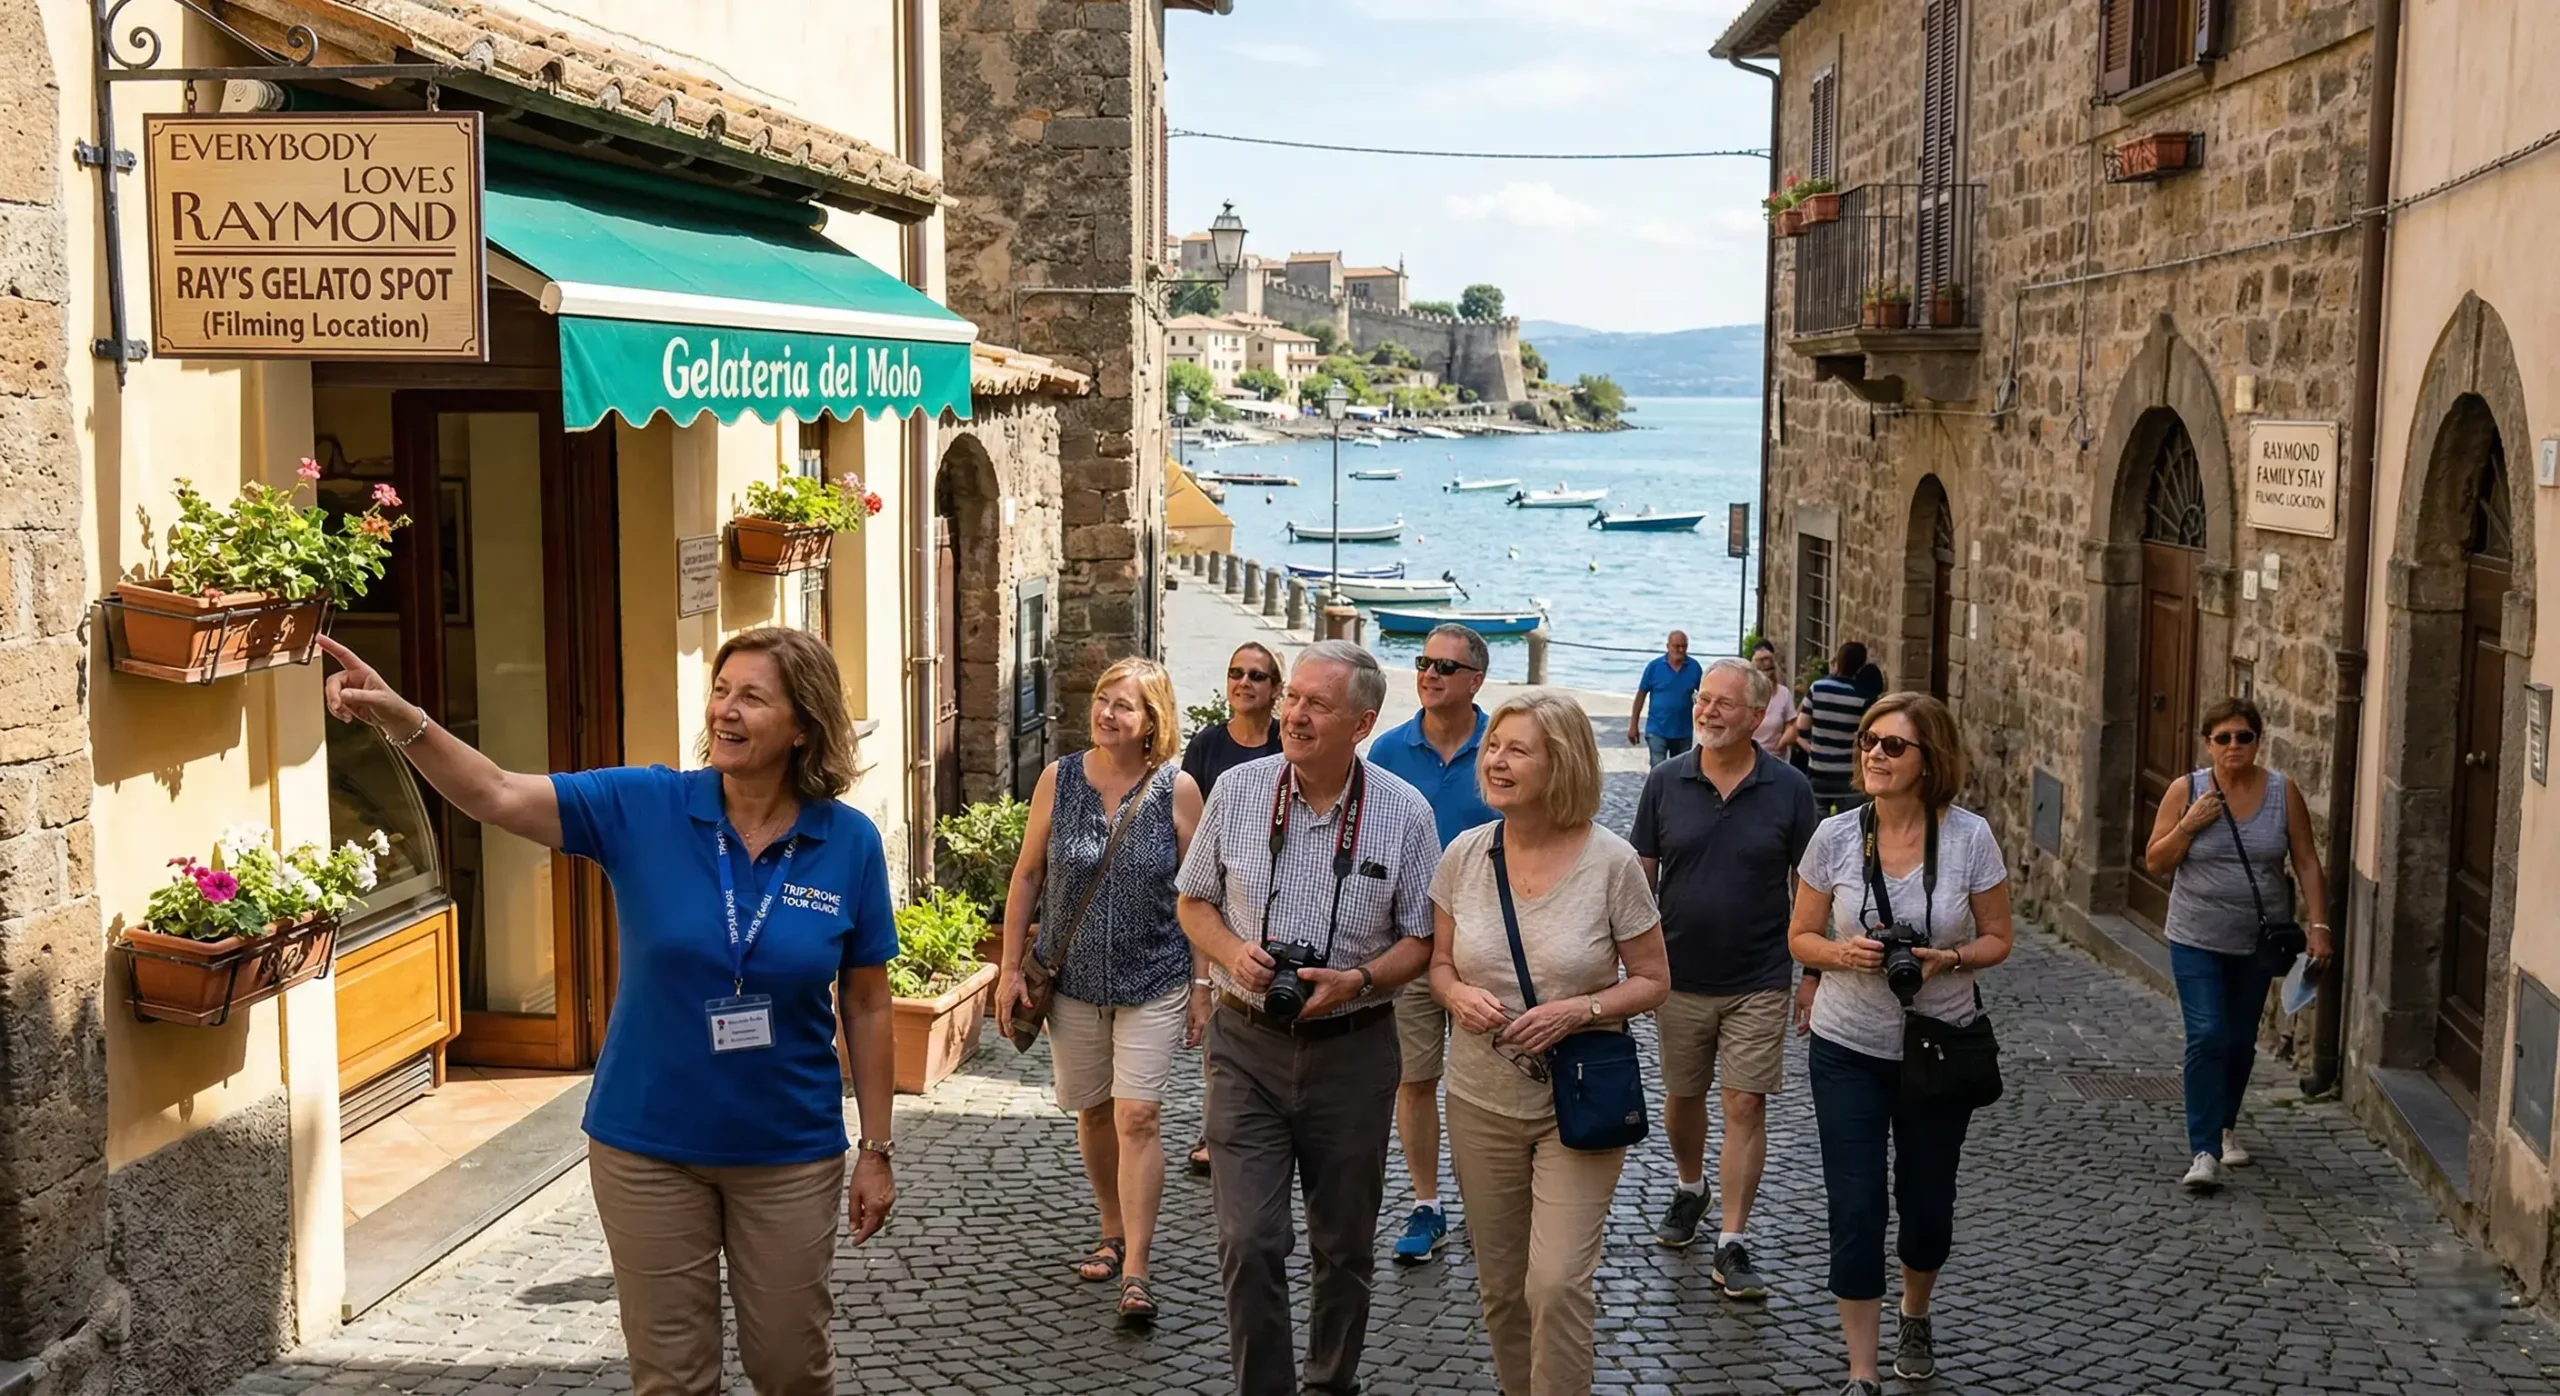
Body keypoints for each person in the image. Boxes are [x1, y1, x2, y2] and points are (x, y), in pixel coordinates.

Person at [315, 628, 896, 1396]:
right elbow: (494, 791)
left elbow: (867, 1001)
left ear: (803, 725)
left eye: (752, 697)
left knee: (791, 1366)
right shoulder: (645, 806)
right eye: (721, 691)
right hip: (648, 1146)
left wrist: (878, 1147)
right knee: (672, 1377)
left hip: (788, 1150)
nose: (726, 710)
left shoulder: (846, 842)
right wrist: (403, 720)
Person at [1176, 640, 1444, 1396]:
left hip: (1355, 1052)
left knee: (1344, 1245)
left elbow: (1423, 940)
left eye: (1314, 704)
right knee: (1250, 1239)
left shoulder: (1404, 812)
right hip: (1245, 1043)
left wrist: (1357, 979)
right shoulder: (1236, 791)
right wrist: (1233, 952)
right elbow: (1192, 901)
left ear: (1362, 722)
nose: (1292, 713)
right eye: (1291, 696)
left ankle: (1330, 1383)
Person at [1430, 691, 1671, 1396]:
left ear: (1560, 761)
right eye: (1493, 746)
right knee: (1503, 1289)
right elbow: (1439, 965)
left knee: (1557, 1283)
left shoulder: (1612, 862)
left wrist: (1580, 1009)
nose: (1496, 761)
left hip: (1580, 1101)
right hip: (1479, 1099)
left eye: (1517, 749)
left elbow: (1653, 979)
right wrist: (1454, 994)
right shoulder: (1464, 856)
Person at [1790, 692, 2014, 1395]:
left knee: (1927, 1205)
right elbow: (1799, 936)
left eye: (1893, 746)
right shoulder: (1834, 837)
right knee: (1855, 1204)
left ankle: (1915, 1312)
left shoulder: (1971, 838)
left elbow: (1999, 939)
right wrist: (1838, 955)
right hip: (1846, 1045)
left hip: (1938, 1045)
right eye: (1867, 742)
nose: (1874, 755)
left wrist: (1950, 960)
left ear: (1929, 760)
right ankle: (1862, 1371)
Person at [998, 658, 1206, 1324]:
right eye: (1102, 700)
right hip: (1073, 981)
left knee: (1136, 1116)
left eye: (1125, 705)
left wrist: (1204, 985)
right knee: (1092, 1111)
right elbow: (1028, 875)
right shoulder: (1059, 780)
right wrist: (1008, 968)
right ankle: (1111, 1228)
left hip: (1156, 979)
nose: (1107, 713)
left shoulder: (1179, 790)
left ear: (1153, 721)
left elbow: (1198, 896)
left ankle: (1139, 1270)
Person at [1631, 658, 1819, 1299]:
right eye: (1703, 700)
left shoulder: (1790, 790)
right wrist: (1635, 964)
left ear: (1757, 716)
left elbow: (1812, 886)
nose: (1707, 711)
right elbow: (1640, 880)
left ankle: (1732, 1240)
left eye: (1723, 704)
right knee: (1682, 1098)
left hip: (1759, 976)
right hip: (1678, 975)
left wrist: (1812, 971)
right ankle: (1691, 1186)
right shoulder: (1664, 781)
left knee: (1744, 1103)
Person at [2142, 696, 2333, 1192]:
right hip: (2195, 936)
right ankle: (2203, 1150)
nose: (2233, 746)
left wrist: (2319, 926)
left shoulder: (2282, 793)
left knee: (2238, 1039)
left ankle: (2225, 1125)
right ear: (2208, 744)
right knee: (2206, 1034)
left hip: (2258, 941)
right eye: (2222, 738)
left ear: (2256, 741)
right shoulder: (2187, 790)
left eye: (2243, 737)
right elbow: (2156, 862)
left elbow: (2307, 861)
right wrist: (2190, 823)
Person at [1365, 622, 1501, 1264]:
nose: (1429, 674)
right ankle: (1426, 1204)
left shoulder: (1502, 750)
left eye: (1445, 667)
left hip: (1494, 950)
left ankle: (1489, 1200)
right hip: (1414, 944)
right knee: (1416, 1079)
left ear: (1476, 681)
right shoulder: (1389, 752)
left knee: (1491, 1082)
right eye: (1422, 662)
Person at [1179, 642, 1288, 1172]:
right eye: (1235, 673)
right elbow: (1190, 822)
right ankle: (1214, 1127)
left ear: (1275, 689)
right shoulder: (1205, 746)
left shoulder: (1284, 746)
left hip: (1276, 888)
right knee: (1221, 1011)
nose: (1244, 682)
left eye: (1257, 675)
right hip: (1216, 886)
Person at [1798, 641, 1876, 815]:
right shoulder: (1862, 696)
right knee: (1849, 827)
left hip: (1819, 771)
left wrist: (1816, 748)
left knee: (1817, 825)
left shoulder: (1817, 688)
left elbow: (1802, 728)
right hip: (1848, 774)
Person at [1627, 630, 1705, 764]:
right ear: (1668, 646)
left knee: (1681, 771)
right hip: (1657, 730)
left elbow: (1705, 696)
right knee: (1658, 769)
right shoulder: (1654, 667)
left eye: (1684, 646)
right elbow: (1640, 696)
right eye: (1676, 646)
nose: (1680, 650)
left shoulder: (1694, 668)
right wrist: (1633, 725)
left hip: (1683, 732)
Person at [1750, 639, 1800, 757]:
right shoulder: (1745, 693)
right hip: (1748, 758)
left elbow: (1791, 726)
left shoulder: (1783, 694)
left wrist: (1781, 743)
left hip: (1776, 759)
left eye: (1769, 669)